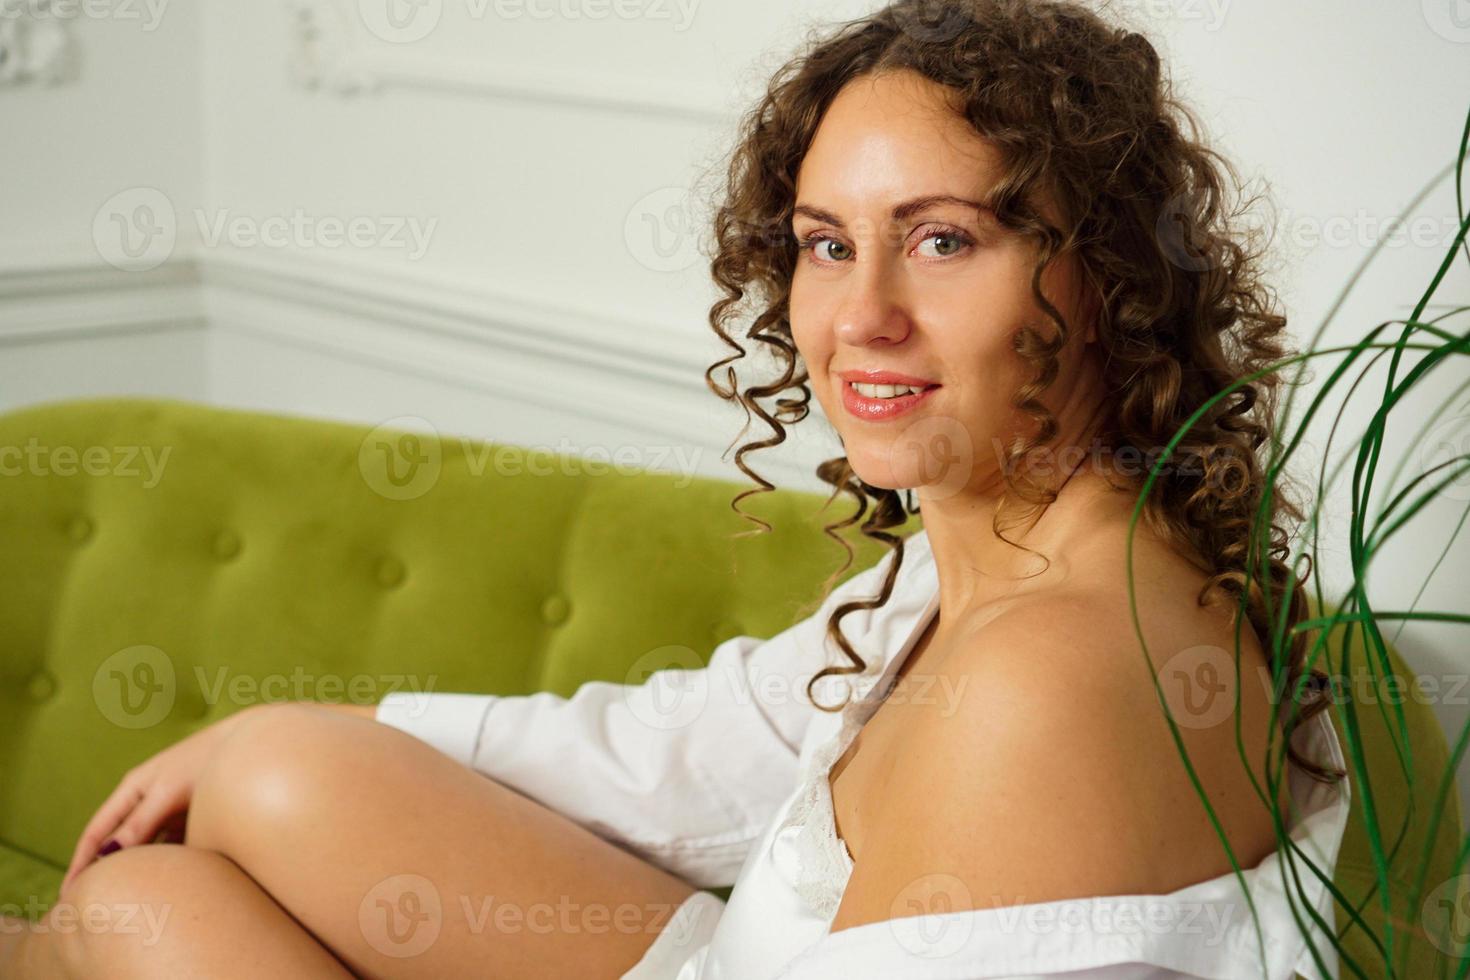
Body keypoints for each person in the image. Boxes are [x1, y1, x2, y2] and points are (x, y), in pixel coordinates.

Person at [1, 1, 1351, 977]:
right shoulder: (993, 561)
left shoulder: (1046, 675)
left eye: (943, 240)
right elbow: (690, 748)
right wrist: (262, 738)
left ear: (1110, 278)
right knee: (271, 777)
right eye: (826, 247)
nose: (859, 316)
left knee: (148, 918)